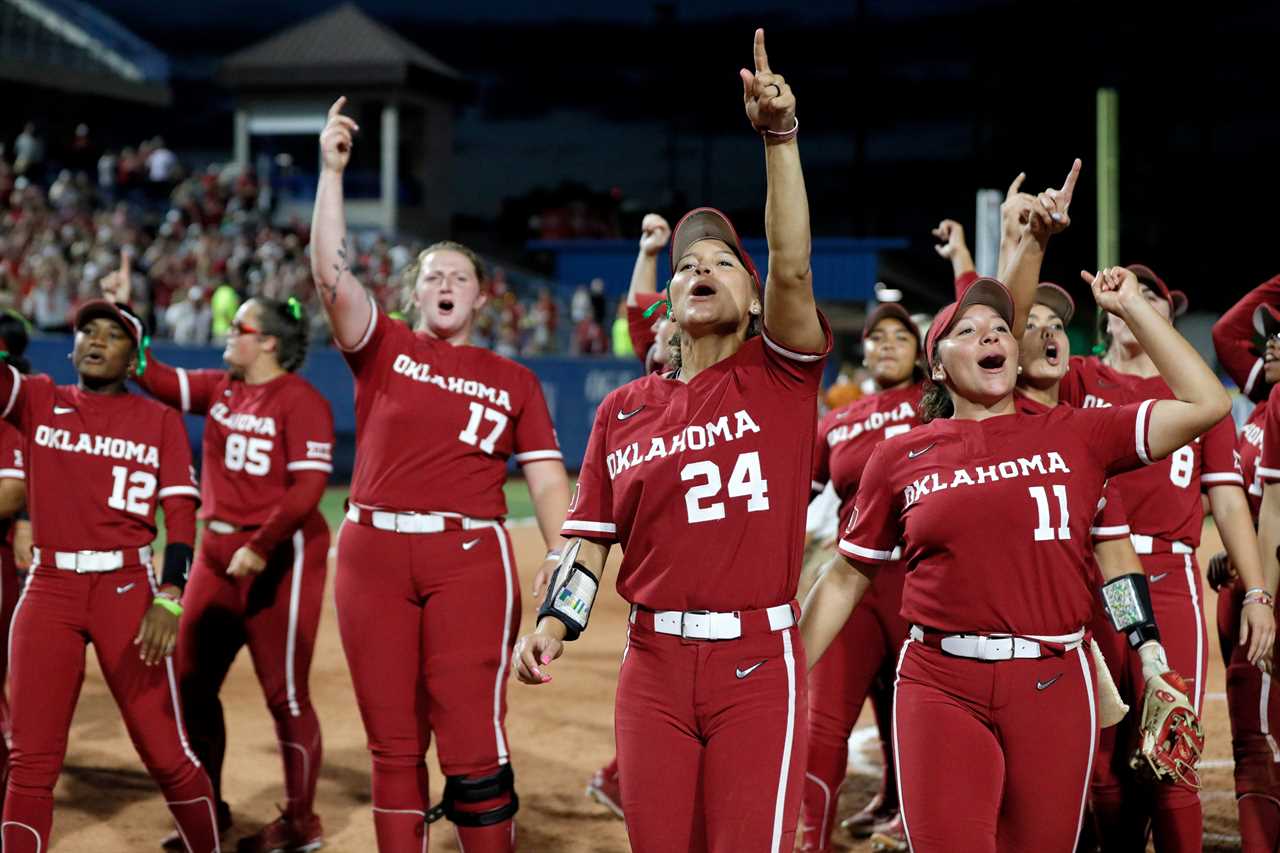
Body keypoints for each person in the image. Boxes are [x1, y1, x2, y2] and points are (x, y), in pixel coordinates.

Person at [800, 267, 1241, 853]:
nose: (991, 336)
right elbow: (844, 578)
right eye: (969, 329)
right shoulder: (901, 454)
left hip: (1052, 681)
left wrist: (1133, 307)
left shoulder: (1078, 434)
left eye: (999, 328)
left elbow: (1206, 403)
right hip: (940, 682)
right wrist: (785, 670)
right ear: (937, 364)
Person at [514, 30, 826, 852]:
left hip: (759, 663)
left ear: (755, 302)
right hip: (650, 665)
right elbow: (587, 541)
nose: (700, 269)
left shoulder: (780, 378)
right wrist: (553, 620)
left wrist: (779, 139)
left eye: (723, 262)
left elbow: (791, 264)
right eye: (689, 263)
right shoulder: (624, 407)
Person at [312, 97, 571, 853]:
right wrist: (332, 173)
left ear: (480, 296)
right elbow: (329, 273)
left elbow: (550, 478)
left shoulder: (514, 377)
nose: (446, 281)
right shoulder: (382, 344)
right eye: (433, 274)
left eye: (460, 274)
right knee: (392, 744)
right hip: (370, 553)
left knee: (471, 738)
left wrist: (561, 567)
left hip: (469, 558)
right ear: (415, 293)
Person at [100, 254, 334, 852]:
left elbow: (308, 490)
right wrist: (128, 312)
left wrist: (260, 545)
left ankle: (302, 823)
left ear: (270, 345)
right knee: (191, 681)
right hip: (216, 554)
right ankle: (211, 808)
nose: (229, 336)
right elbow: (150, 374)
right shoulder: (221, 388)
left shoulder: (301, 400)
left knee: (284, 693)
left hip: (280, 557)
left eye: (241, 331)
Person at [1043, 262, 1275, 851]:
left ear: (1166, 317)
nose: (1135, 300)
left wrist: (1255, 592)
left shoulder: (1196, 394)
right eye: (1127, 293)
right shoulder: (1078, 379)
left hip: (1169, 579)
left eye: (1152, 296)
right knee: (1099, 760)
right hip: (1087, 576)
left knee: (1172, 749)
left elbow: (1227, 505)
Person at [0, 297, 219, 852]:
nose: (96, 341)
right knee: (30, 763)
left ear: (135, 356)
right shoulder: (40, 399)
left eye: (113, 335)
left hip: (127, 589)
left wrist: (170, 596)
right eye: (87, 331)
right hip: (49, 588)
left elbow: (182, 518)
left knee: (167, 755)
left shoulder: (159, 420)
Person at [1216, 282, 1280, 852]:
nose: (1269, 344)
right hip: (1248, 581)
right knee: (1254, 730)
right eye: (1270, 335)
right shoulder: (1266, 401)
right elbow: (1227, 332)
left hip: (1266, 583)